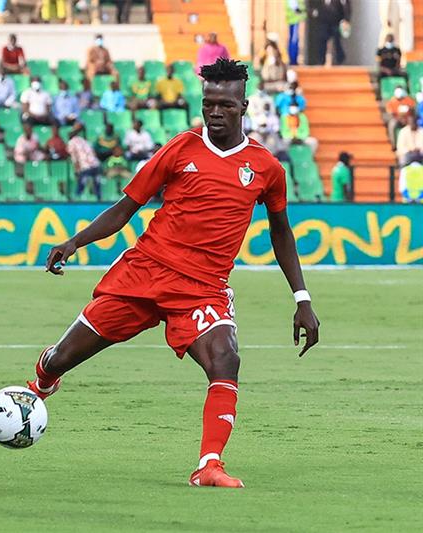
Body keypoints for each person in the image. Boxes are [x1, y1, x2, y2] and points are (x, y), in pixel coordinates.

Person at [26, 59, 320, 489]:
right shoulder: (180, 148)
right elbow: (127, 207)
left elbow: (282, 232)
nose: (215, 112)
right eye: (208, 104)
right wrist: (76, 242)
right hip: (146, 272)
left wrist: (302, 299)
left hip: (203, 289)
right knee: (62, 358)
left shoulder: (265, 168)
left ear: (244, 106)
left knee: (226, 358)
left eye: (225, 104)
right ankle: (42, 379)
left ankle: (209, 465)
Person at [67, 123, 102, 200]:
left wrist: (76, 170)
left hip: (86, 166)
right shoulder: (84, 141)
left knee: (81, 183)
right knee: (97, 183)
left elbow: (75, 158)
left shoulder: (71, 142)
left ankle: (77, 199)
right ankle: (99, 199)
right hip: (95, 164)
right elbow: (93, 153)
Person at [310, 0, 350, 66]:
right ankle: (321, 60)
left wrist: (346, 19)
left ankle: (340, 60)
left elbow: (346, 7)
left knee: (337, 42)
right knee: (322, 40)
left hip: (336, 21)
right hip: (324, 21)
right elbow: (315, 8)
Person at [285, 0, 306, 66]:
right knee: (294, 40)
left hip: (295, 18)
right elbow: (293, 5)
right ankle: (293, 61)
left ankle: (294, 60)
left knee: (294, 40)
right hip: (294, 19)